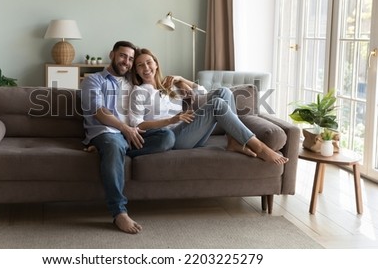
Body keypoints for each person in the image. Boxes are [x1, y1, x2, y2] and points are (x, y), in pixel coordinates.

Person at [129, 48, 288, 165]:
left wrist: (180, 78)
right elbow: (137, 124)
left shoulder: (170, 85)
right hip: (171, 137)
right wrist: (171, 120)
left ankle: (233, 140)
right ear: (136, 71)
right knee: (217, 104)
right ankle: (259, 147)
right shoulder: (138, 92)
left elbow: (203, 92)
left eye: (149, 62)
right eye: (140, 65)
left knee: (224, 92)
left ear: (156, 64)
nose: (146, 68)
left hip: (190, 132)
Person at [81, 41, 175, 234]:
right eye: (123, 56)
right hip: (107, 132)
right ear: (112, 55)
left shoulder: (133, 82)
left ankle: (108, 152)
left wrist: (179, 81)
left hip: (131, 134)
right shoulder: (94, 80)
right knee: (113, 144)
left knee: (167, 137)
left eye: (131, 59)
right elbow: (99, 111)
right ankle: (119, 213)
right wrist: (125, 129)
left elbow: (157, 87)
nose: (127, 61)